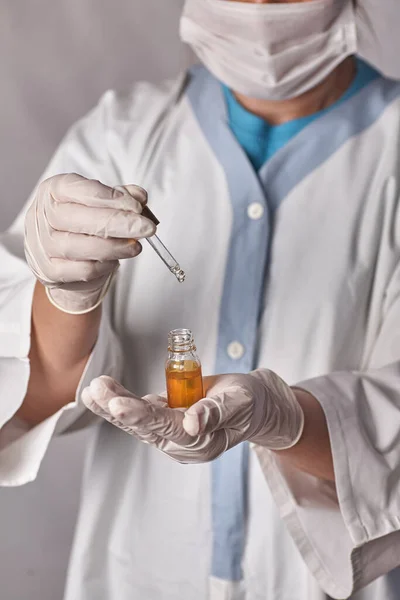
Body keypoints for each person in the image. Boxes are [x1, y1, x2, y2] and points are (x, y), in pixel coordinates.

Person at [1, 0, 400, 598]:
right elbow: (28, 393)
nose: (260, 5)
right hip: (139, 573)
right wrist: (67, 292)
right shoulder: (122, 133)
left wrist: (285, 419)